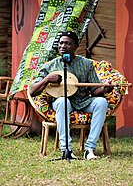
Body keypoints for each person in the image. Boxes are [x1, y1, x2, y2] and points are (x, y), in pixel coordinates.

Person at [30, 31, 112, 160]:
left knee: (101, 102)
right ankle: (66, 150)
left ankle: (89, 149)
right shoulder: (49, 66)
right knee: (63, 102)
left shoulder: (86, 64)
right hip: (61, 103)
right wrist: (46, 79)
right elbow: (32, 91)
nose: (63, 46)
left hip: (83, 101)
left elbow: (95, 90)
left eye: (68, 43)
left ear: (75, 46)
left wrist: (105, 89)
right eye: (61, 43)